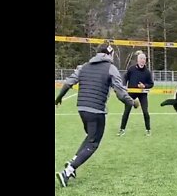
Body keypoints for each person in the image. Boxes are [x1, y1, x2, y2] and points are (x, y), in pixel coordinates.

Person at [54, 43, 140, 187]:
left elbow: (68, 83)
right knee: (93, 143)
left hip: (82, 109)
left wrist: (59, 98)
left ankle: (74, 160)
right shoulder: (111, 68)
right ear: (109, 54)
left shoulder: (84, 66)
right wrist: (133, 103)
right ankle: (67, 172)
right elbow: (120, 93)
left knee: (90, 137)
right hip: (96, 111)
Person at [117, 51, 154, 136]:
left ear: (145, 61)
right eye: (141, 58)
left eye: (144, 59)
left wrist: (144, 86)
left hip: (142, 93)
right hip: (131, 92)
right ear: (137, 60)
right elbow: (125, 77)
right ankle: (122, 129)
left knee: (145, 111)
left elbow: (151, 84)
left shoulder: (147, 72)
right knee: (127, 110)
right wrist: (124, 86)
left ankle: (148, 130)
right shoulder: (131, 69)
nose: (142, 60)